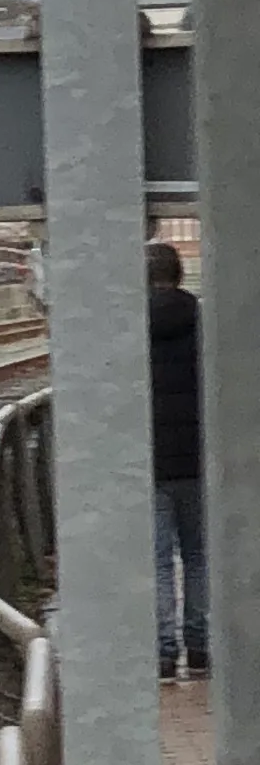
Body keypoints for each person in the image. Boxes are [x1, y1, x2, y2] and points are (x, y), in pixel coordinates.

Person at [150, 241, 208, 680]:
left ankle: (164, 652)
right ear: (180, 274)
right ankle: (202, 647)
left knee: (158, 559)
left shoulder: (129, 323)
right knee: (199, 556)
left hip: (149, 461)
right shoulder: (204, 319)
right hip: (199, 459)